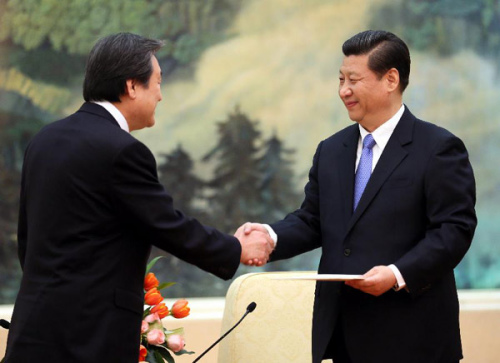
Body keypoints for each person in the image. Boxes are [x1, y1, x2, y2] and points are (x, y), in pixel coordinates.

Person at [4, 32, 273, 363]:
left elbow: (29, 241)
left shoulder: (44, 140)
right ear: (132, 86)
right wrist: (236, 249)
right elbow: (168, 225)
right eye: (157, 82)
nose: (160, 95)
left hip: (33, 332)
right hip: (90, 340)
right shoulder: (123, 151)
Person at [239, 30, 476, 363]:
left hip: (412, 336)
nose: (343, 91)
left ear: (391, 79)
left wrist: (396, 274)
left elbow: (454, 231)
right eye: (340, 79)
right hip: (342, 336)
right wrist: (270, 236)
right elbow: (312, 220)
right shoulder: (332, 150)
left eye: (353, 80)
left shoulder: (437, 148)